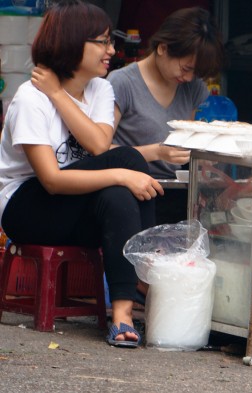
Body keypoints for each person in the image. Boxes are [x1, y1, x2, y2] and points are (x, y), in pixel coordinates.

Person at [0, 0, 164, 347]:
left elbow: (98, 146)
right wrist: (121, 174)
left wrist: (59, 94)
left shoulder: (100, 88)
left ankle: (122, 314)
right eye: (103, 42)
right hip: (28, 206)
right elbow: (52, 180)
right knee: (128, 166)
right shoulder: (30, 100)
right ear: (74, 43)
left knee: (120, 192)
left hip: (74, 204)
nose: (112, 50)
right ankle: (145, 275)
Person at [107, 7, 224, 224]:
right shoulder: (121, 83)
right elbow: (99, 150)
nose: (188, 78)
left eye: (195, 73)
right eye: (186, 68)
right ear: (163, 48)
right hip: (130, 195)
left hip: (177, 194)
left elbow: (187, 141)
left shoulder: (192, 87)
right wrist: (157, 152)